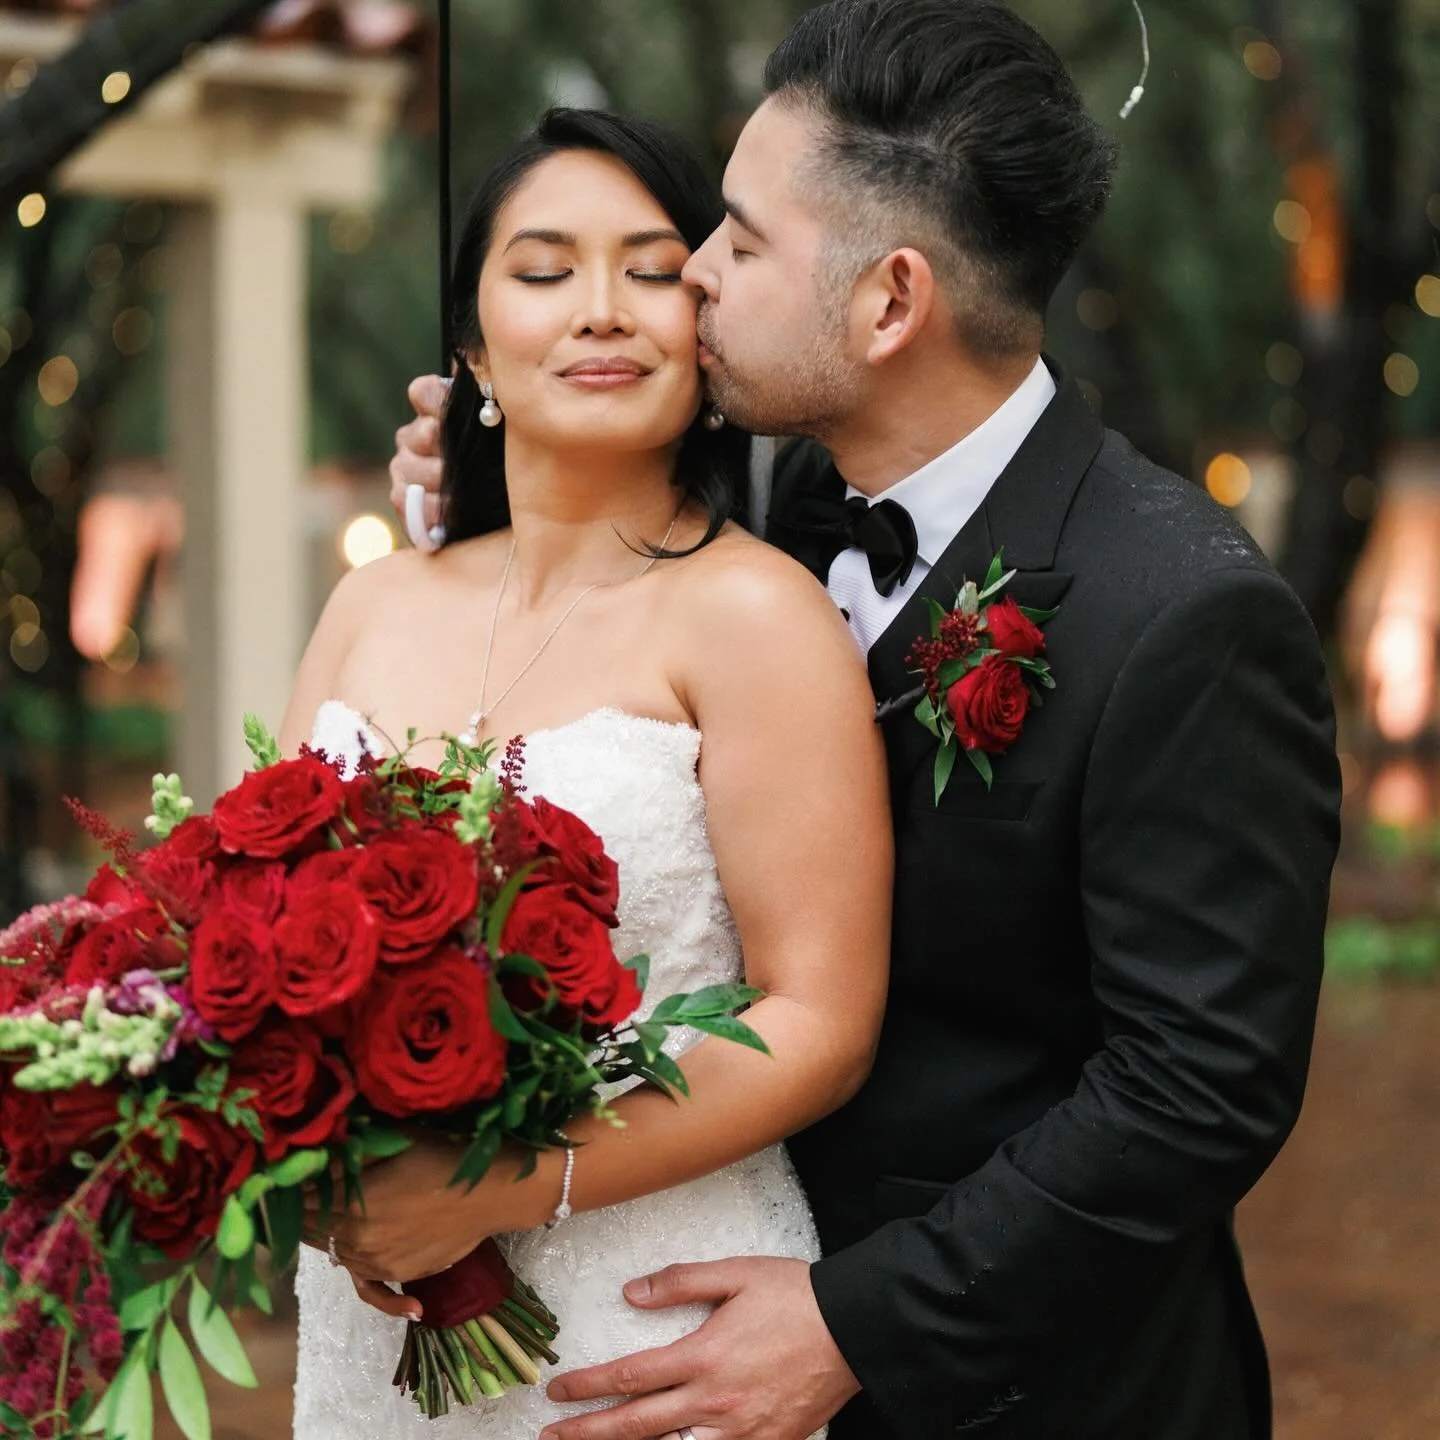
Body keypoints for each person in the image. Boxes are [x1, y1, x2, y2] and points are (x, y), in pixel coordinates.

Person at [390, 4, 1343, 1438]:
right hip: (680, 1297)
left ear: (890, 303)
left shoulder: (1187, 616)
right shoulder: (789, 505)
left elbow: (1198, 1087)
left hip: (1033, 1391)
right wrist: (489, 456)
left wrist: (859, 1324)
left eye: (741, 242)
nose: (695, 277)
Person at [277, 106, 892, 1440]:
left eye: (655, 270)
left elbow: (821, 1019)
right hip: (373, 1331)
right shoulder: (372, 608)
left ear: (709, 324)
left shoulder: (759, 615)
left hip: (650, 1324)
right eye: (545, 271)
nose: (601, 311)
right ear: (469, 343)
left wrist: (503, 1187)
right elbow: (257, 939)